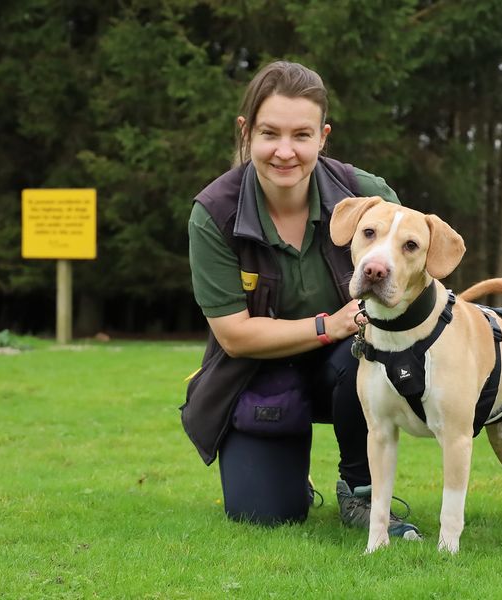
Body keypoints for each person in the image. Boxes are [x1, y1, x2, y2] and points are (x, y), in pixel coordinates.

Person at [182, 60, 420, 539]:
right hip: (258, 372)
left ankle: (360, 490)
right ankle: (292, 475)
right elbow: (233, 336)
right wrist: (326, 326)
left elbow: (414, 285)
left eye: (302, 135)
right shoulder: (214, 214)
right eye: (270, 133)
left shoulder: (368, 197)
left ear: (323, 136)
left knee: (361, 349)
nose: (285, 151)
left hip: (351, 363)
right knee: (266, 514)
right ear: (246, 132)